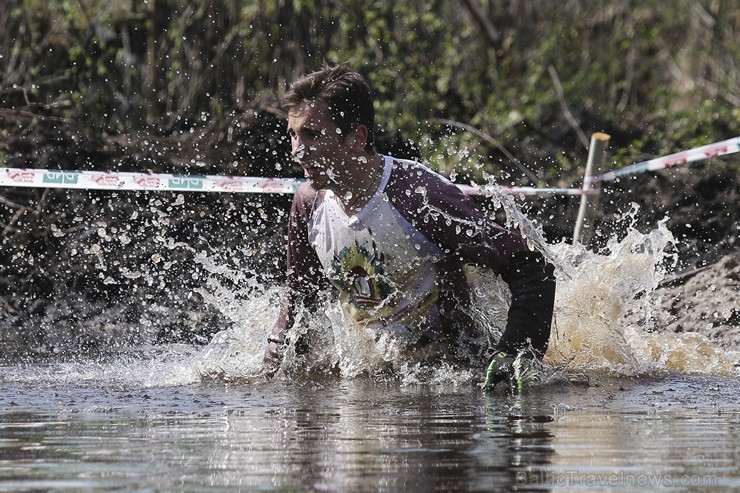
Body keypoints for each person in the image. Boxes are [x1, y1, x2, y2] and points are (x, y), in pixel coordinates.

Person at [262, 63, 555, 391]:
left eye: (312, 135)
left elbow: (530, 265)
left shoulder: (418, 196)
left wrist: (513, 352)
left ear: (356, 138)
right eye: (293, 134)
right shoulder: (307, 203)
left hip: (451, 375)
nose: (296, 151)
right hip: (370, 377)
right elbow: (300, 300)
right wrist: (270, 373)